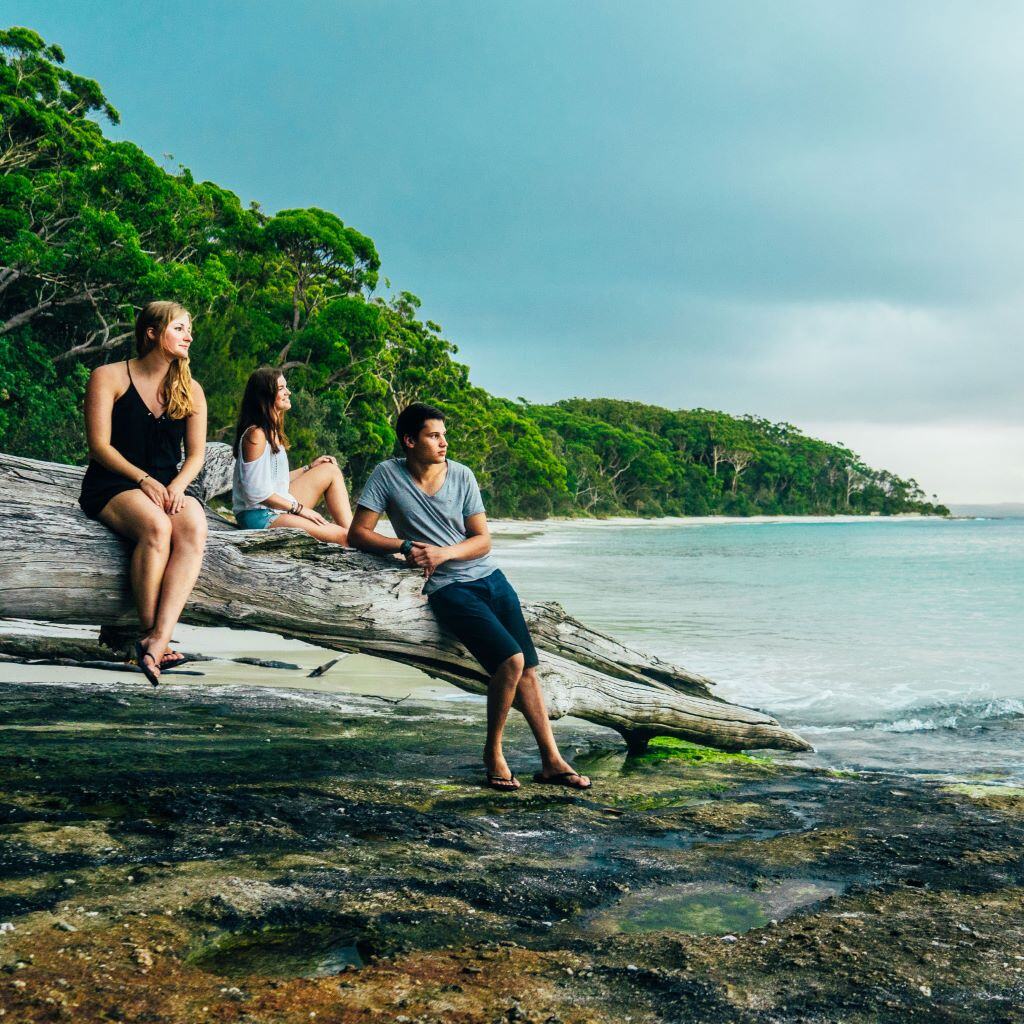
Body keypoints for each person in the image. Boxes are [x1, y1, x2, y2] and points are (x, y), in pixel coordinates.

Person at [349, 402, 591, 792]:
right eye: (434, 435)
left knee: (529, 668)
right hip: (446, 588)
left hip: (490, 578)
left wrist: (443, 552)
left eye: (444, 435)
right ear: (410, 441)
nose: (444, 442)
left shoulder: (461, 475)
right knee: (510, 662)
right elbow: (358, 533)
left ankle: (551, 760)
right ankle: (493, 753)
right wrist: (404, 544)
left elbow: (482, 541)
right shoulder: (387, 475)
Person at [79, 301, 208, 686]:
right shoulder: (108, 376)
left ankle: (158, 640)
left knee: (195, 527)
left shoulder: (191, 389)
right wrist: (142, 480)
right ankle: (150, 636)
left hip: (168, 484)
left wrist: (178, 486)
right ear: (152, 333)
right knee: (156, 528)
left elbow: (197, 455)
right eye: (179, 328)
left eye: (189, 330)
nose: (188, 336)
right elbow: (99, 446)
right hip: (114, 483)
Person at [232, 367, 352, 544]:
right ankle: (355, 538)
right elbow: (255, 493)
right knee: (341, 536)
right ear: (265, 395)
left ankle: (358, 535)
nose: (288, 392)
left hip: (272, 508)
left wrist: (309, 468)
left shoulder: (272, 432)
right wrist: (300, 509)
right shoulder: (255, 435)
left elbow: (273, 482)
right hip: (258, 515)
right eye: (281, 388)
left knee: (330, 470)